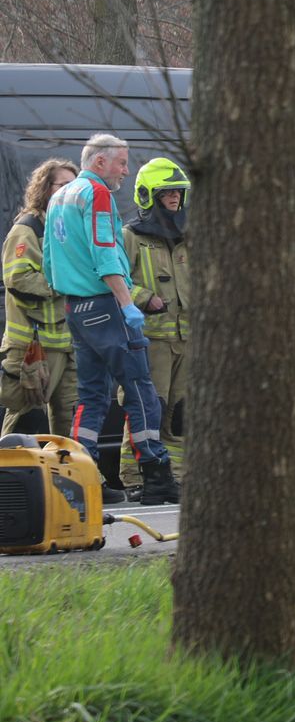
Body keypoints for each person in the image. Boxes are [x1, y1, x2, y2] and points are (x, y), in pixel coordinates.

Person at [42, 134, 176, 505]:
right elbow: (105, 254)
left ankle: (82, 478)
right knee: (140, 389)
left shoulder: (58, 196)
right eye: (121, 163)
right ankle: (156, 476)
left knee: (91, 396)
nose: (126, 170)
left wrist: (73, 295)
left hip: (75, 307)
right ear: (100, 162)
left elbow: (49, 262)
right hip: (105, 304)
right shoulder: (97, 194)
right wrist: (126, 302)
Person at [123, 157, 192, 479]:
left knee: (180, 413)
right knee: (148, 409)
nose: (175, 198)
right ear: (149, 196)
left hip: (186, 339)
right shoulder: (131, 237)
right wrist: (142, 298)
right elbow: (112, 277)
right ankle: (136, 476)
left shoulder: (187, 238)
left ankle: (175, 475)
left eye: (178, 192)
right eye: (167, 193)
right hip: (150, 341)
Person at [2, 159, 80, 439]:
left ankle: (68, 481)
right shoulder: (28, 229)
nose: (70, 192)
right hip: (34, 349)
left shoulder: (70, 229)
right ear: (46, 189)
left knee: (70, 425)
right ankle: (9, 482)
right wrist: (64, 281)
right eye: (63, 185)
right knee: (25, 426)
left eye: (75, 187)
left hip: (68, 343)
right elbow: (18, 279)